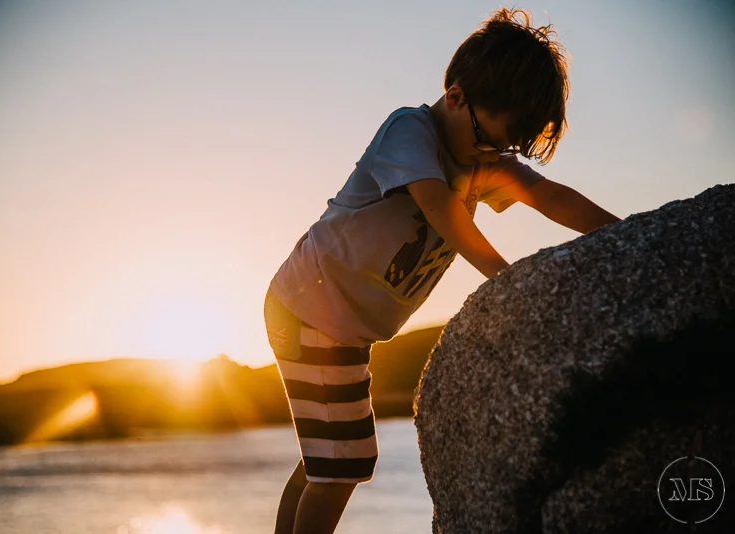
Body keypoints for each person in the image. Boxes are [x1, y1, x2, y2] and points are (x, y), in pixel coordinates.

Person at [264, 7, 620, 534]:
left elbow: (546, 196)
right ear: (455, 96)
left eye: (503, 149)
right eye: (485, 139)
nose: (491, 157)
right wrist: (507, 277)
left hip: (339, 325)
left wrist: (627, 233)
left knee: (326, 458)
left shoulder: (478, 157)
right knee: (344, 464)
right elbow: (437, 205)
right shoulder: (412, 130)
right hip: (309, 309)